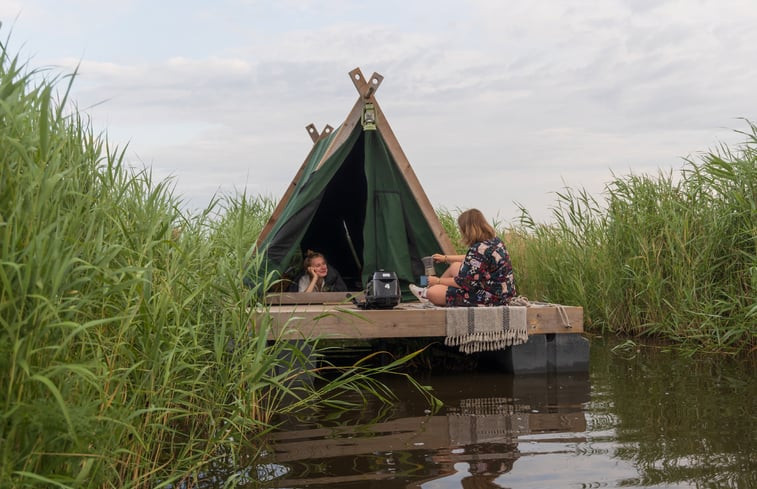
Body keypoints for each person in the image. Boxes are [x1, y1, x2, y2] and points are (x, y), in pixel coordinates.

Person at [409, 209, 516, 306]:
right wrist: (446, 258)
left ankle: (426, 292)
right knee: (455, 266)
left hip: (493, 298)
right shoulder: (495, 241)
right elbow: (474, 259)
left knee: (434, 292)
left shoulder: (479, 249)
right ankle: (425, 290)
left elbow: (465, 283)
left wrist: (437, 281)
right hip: (502, 292)